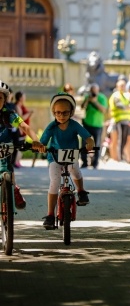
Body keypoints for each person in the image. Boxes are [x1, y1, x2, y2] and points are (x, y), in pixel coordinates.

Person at [39, 92, 95, 229]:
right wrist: (41, 147)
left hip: (71, 155)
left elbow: (88, 137)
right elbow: (43, 141)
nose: (61, 116)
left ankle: (81, 191)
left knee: (75, 171)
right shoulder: (51, 127)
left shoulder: (74, 125)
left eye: (65, 113)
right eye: (58, 113)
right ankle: (50, 215)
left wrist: (89, 143)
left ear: (71, 112)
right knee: (55, 182)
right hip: (54, 157)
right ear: (53, 112)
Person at [0, 81, 43, 209]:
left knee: (8, 170)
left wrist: (36, 141)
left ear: (5, 100)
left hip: (5, 147)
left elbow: (25, 127)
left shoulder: (10, 114)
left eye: (0, 98)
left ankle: (14, 190)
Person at [80, 83, 108, 169]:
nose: (93, 92)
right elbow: (82, 107)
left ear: (98, 90)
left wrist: (95, 102)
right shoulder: (87, 97)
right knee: (84, 144)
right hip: (87, 123)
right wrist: (87, 100)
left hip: (97, 125)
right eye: (91, 91)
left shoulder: (102, 98)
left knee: (97, 144)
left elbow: (103, 110)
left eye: (94, 91)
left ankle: (95, 162)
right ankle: (84, 162)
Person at [108, 78, 130, 162]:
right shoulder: (116, 95)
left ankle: (120, 156)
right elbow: (119, 106)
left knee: (124, 139)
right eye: (121, 86)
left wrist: (128, 107)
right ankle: (118, 158)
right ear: (117, 86)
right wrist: (128, 107)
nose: (123, 87)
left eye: (124, 86)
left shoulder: (127, 95)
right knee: (119, 139)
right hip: (118, 121)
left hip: (126, 121)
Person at [14, 91, 34, 168]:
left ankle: (17, 161)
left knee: (21, 145)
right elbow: (21, 118)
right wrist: (29, 113)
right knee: (20, 146)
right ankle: (16, 161)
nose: (25, 98)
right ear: (20, 98)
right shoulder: (18, 106)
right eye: (23, 96)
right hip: (21, 129)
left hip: (24, 129)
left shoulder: (21, 105)